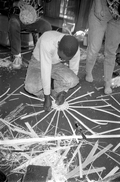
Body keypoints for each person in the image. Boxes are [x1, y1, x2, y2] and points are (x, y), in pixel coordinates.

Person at [24, 30, 80, 112]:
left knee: (73, 80)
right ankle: (45, 90)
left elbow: (74, 70)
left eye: (66, 59)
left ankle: (52, 86)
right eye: (61, 57)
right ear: (58, 45)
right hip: (38, 62)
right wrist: (47, 97)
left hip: (56, 64)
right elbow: (45, 69)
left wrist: (64, 92)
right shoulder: (47, 42)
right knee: (31, 87)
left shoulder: (75, 50)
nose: (63, 60)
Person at [0, 0, 52, 69]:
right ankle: (17, 56)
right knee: (13, 23)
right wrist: (15, 3)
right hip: (16, 16)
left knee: (46, 26)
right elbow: (3, 5)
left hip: (32, 19)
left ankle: (44, 54)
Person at [85, 0, 120, 94]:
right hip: (104, 5)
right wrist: (97, 3)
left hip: (118, 16)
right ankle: (88, 71)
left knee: (111, 51)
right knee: (94, 47)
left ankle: (107, 82)